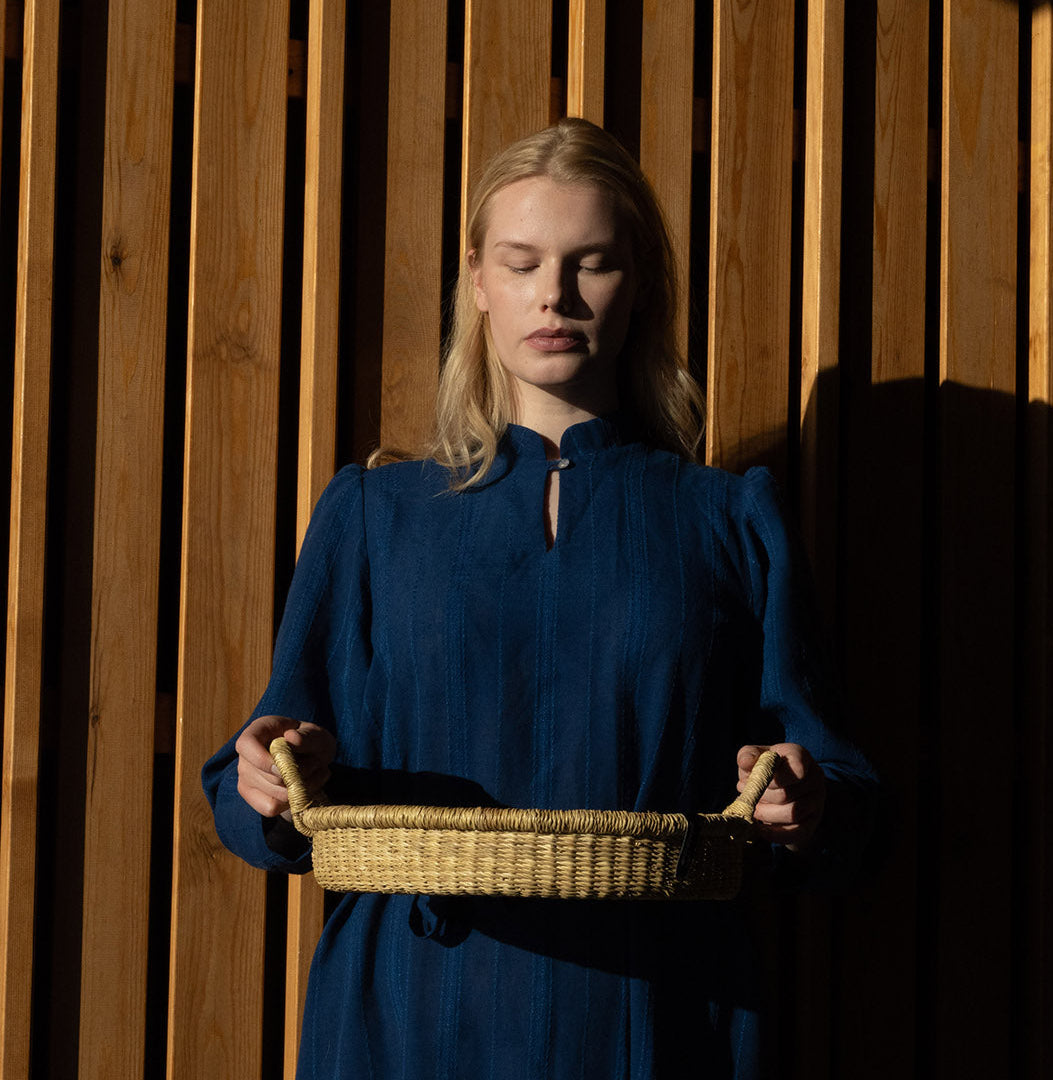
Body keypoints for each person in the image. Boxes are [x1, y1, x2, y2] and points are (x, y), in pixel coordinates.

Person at [203, 117, 877, 1079]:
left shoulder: (730, 520)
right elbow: (256, 786)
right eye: (521, 263)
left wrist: (806, 804)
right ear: (477, 280)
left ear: (637, 282)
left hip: (661, 1019)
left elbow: (846, 801)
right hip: (408, 1013)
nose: (553, 295)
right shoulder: (371, 515)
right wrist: (267, 777)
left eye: (589, 263)